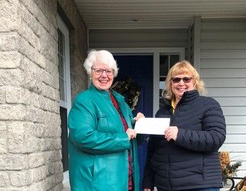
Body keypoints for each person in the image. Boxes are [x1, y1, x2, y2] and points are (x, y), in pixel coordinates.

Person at [142, 60, 226, 191]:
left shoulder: (208, 105)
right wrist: (148, 180)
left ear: (195, 82)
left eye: (186, 79)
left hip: (199, 185)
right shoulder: (162, 112)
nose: (181, 83)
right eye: (176, 79)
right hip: (166, 185)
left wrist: (180, 134)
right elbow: (153, 149)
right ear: (170, 83)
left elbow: (216, 138)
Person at [68, 49, 144, 191]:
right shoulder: (84, 101)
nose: (104, 75)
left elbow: (132, 139)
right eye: (99, 71)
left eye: (108, 71)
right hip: (99, 182)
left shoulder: (120, 101)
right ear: (90, 72)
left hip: (125, 179)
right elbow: (83, 138)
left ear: (114, 74)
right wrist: (123, 138)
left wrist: (141, 126)